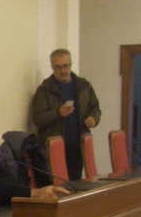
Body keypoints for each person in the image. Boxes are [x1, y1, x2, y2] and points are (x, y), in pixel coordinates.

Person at [30, 48, 101, 180]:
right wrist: (58, 113)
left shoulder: (84, 86)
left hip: (78, 147)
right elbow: (37, 119)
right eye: (58, 67)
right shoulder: (45, 90)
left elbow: (95, 108)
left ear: (71, 64)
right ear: (52, 67)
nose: (63, 71)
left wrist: (94, 118)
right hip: (53, 150)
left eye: (65, 66)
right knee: (58, 185)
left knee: (76, 185)